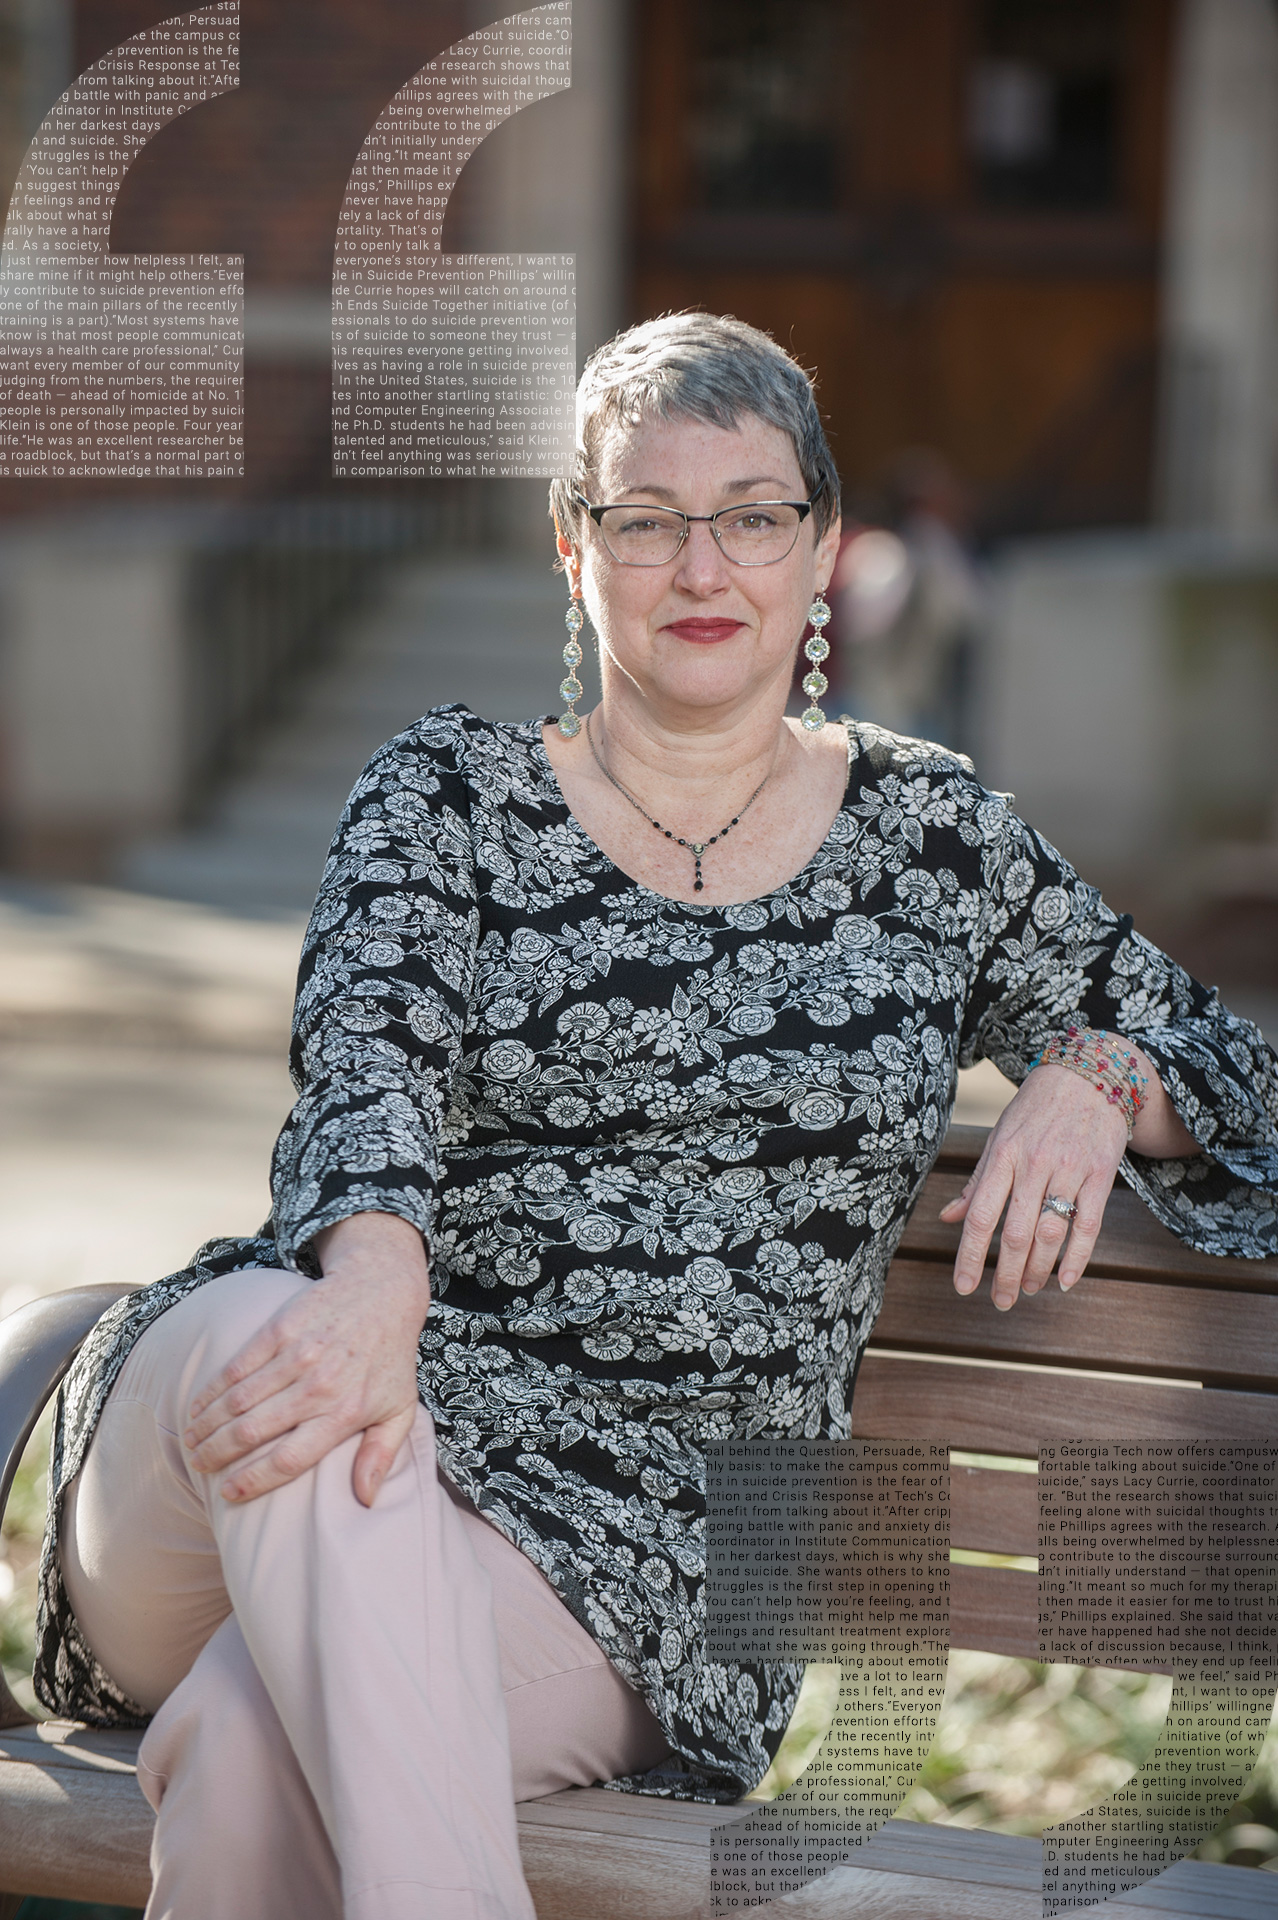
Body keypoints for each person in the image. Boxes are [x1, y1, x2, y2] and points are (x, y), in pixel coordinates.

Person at [33, 312, 1278, 1920]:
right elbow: (368, 1068)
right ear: (574, 551)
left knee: (255, 1751)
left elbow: (1231, 1066)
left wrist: (1094, 1072)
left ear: (822, 549)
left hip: (647, 1568)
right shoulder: (446, 795)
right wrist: (378, 1279)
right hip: (271, 1427)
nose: (704, 566)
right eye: (644, 520)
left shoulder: (933, 845)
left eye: (753, 515)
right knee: (317, 1374)